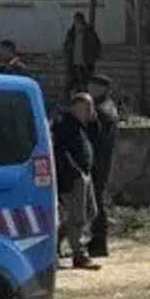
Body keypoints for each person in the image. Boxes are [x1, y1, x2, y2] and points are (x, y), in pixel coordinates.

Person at [52, 93, 100, 270]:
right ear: (75, 106)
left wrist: (93, 120)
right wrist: (75, 172)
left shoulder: (82, 125)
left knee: (91, 211)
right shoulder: (63, 124)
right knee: (77, 217)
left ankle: (55, 242)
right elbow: (61, 152)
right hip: (72, 177)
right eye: (86, 107)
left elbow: (97, 137)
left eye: (91, 107)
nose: (90, 111)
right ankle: (79, 255)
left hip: (85, 175)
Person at [86, 74, 120, 259]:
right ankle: (98, 241)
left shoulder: (101, 111)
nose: (90, 89)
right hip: (101, 161)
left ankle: (98, 241)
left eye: (94, 86)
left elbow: (91, 137)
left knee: (91, 202)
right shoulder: (108, 107)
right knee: (96, 201)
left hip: (96, 161)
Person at [63, 12, 102, 93]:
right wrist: (67, 58)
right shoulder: (71, 34)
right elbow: (66, 47)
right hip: (73, 64)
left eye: (78, 23)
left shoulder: (89, 33)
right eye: (75, 22)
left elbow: (97, 46)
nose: (77, 25)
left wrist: (93, 59)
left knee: (86, 83)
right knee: (70, 84)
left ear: (82, 22)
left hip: (86, 64)